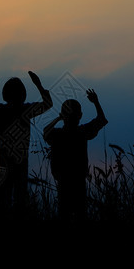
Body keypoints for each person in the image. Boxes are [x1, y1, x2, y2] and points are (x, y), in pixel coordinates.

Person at [0, 70, 52, 217]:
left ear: (5, 93)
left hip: (3, 163)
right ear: (22, 94)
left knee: (3, 203)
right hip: (21, 162)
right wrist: (39, 85)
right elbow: (48, 104)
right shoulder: (25, 110)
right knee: (20, 203)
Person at [43, 89, 108, 222]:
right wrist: (96, 102)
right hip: (78, 180)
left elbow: (45, 131)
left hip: (63, 180)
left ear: (63, 115)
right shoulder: (82, 132)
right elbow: (101, 119)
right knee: (80, 215)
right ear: (80, 115)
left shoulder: (58, 135)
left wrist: (58, 118)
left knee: (64, 215)